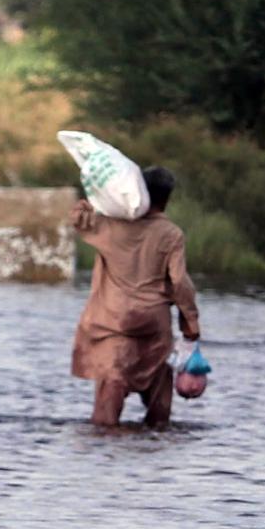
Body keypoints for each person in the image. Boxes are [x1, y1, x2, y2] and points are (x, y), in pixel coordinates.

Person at [72, 166, 200, 428]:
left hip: (113, 323)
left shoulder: (111, 226)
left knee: (105, 418)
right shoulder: (172, 234)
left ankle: (106, 458)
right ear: (167, 198)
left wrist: (91, 203)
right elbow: (180, 283)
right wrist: (190, 323)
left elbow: (79, 219)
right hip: (154, 325)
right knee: (159, 415)